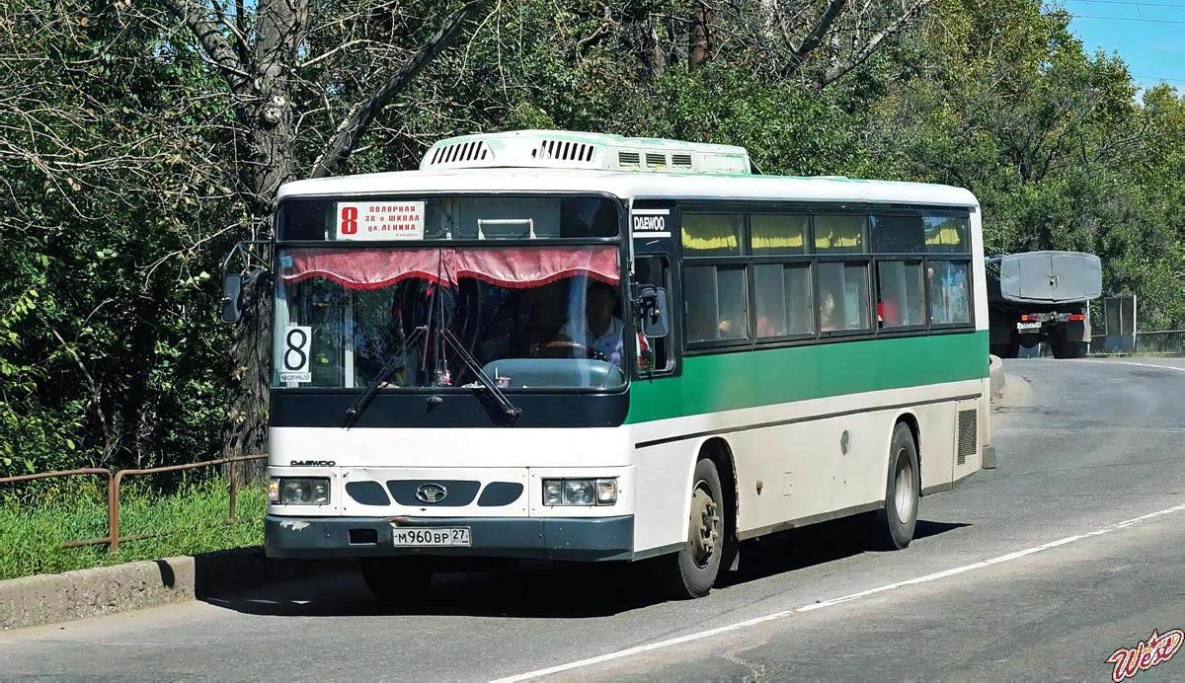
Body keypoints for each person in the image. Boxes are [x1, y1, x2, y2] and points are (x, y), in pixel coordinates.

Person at [560, 280, 624, 362]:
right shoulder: (571, 328)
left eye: (601, 302)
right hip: (577, 374)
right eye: (592, 302)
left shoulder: (624, 332)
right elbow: (557, 355)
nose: (596, 307)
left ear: (612, 303)